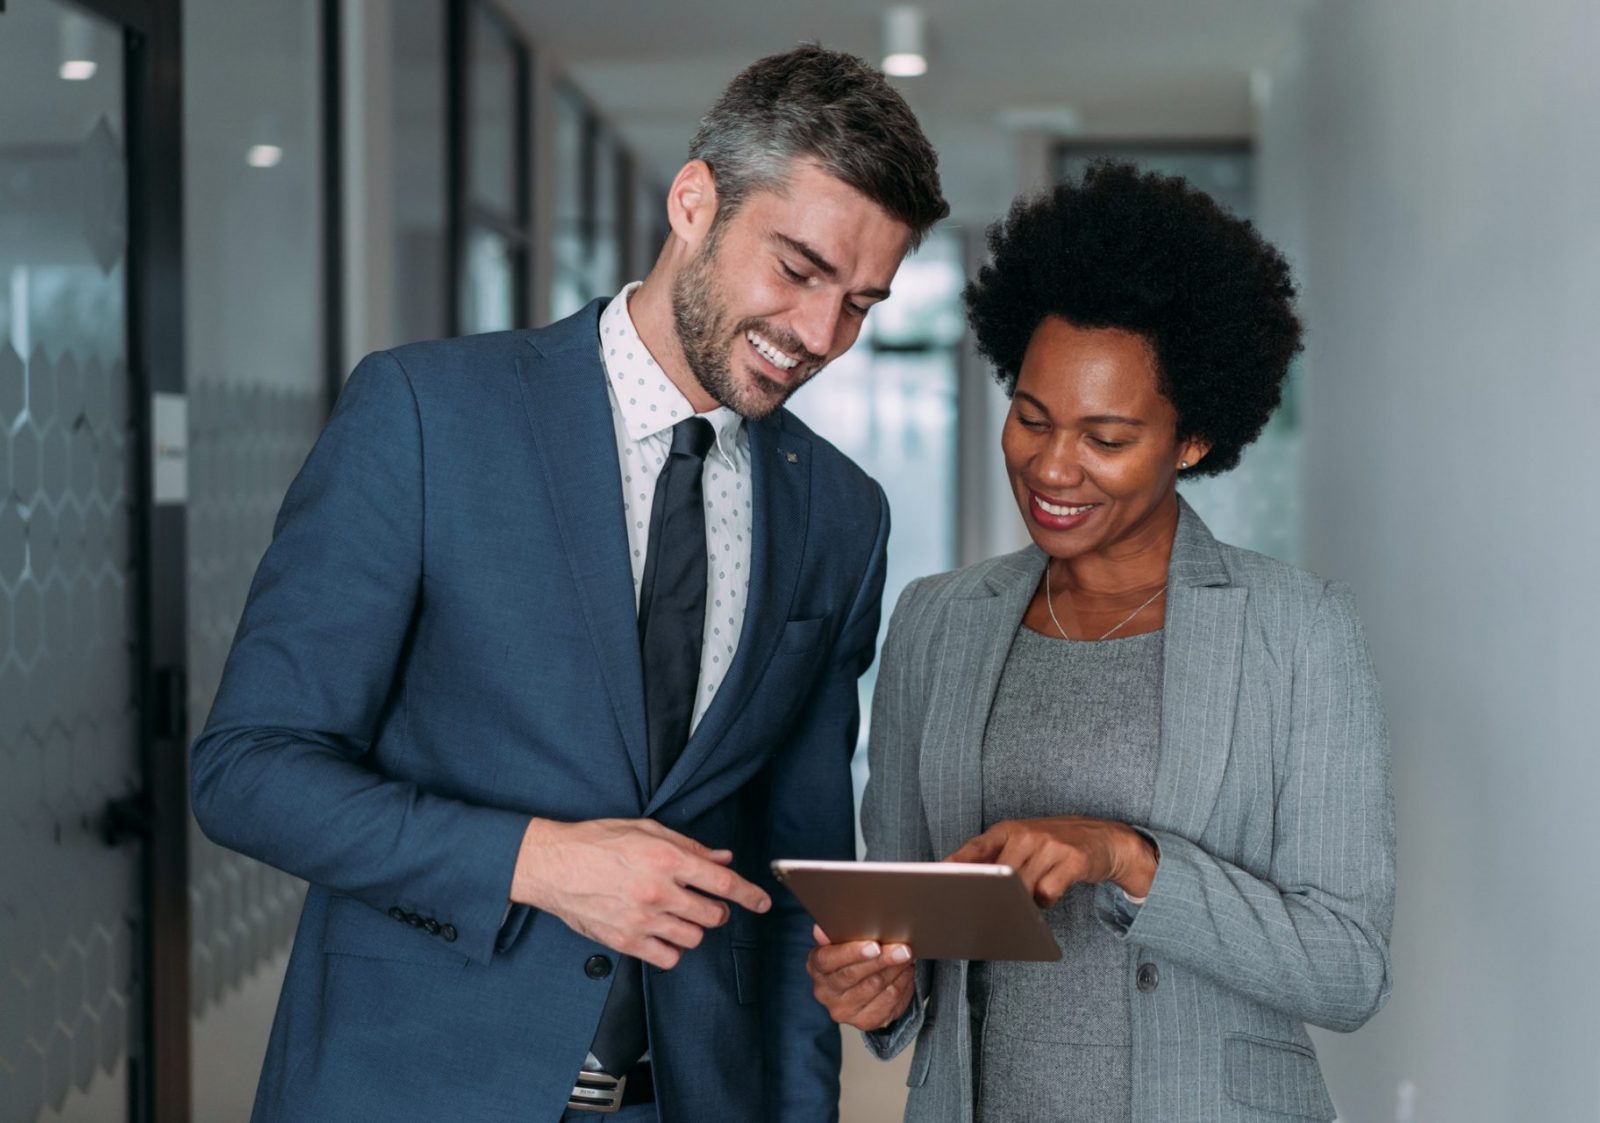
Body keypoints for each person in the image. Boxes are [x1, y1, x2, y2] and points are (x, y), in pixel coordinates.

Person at [191, 45, 947, 1122]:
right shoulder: (426, 415)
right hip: (410, 1087)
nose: (821, 336)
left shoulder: (839, 511)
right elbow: (247, 771)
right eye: (797, 269)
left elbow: (791, 885)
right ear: (695, 202)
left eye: (861, 303)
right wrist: (533, 861)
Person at [806, 162, 1394, 1122]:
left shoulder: (1296, 631)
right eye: (1030, 417)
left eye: (1107, 437)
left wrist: (1127, 858)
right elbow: (906, 924)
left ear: (1192, 439)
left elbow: (1347, 966)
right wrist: (878, 987)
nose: (1052, 465)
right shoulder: (936, 620)